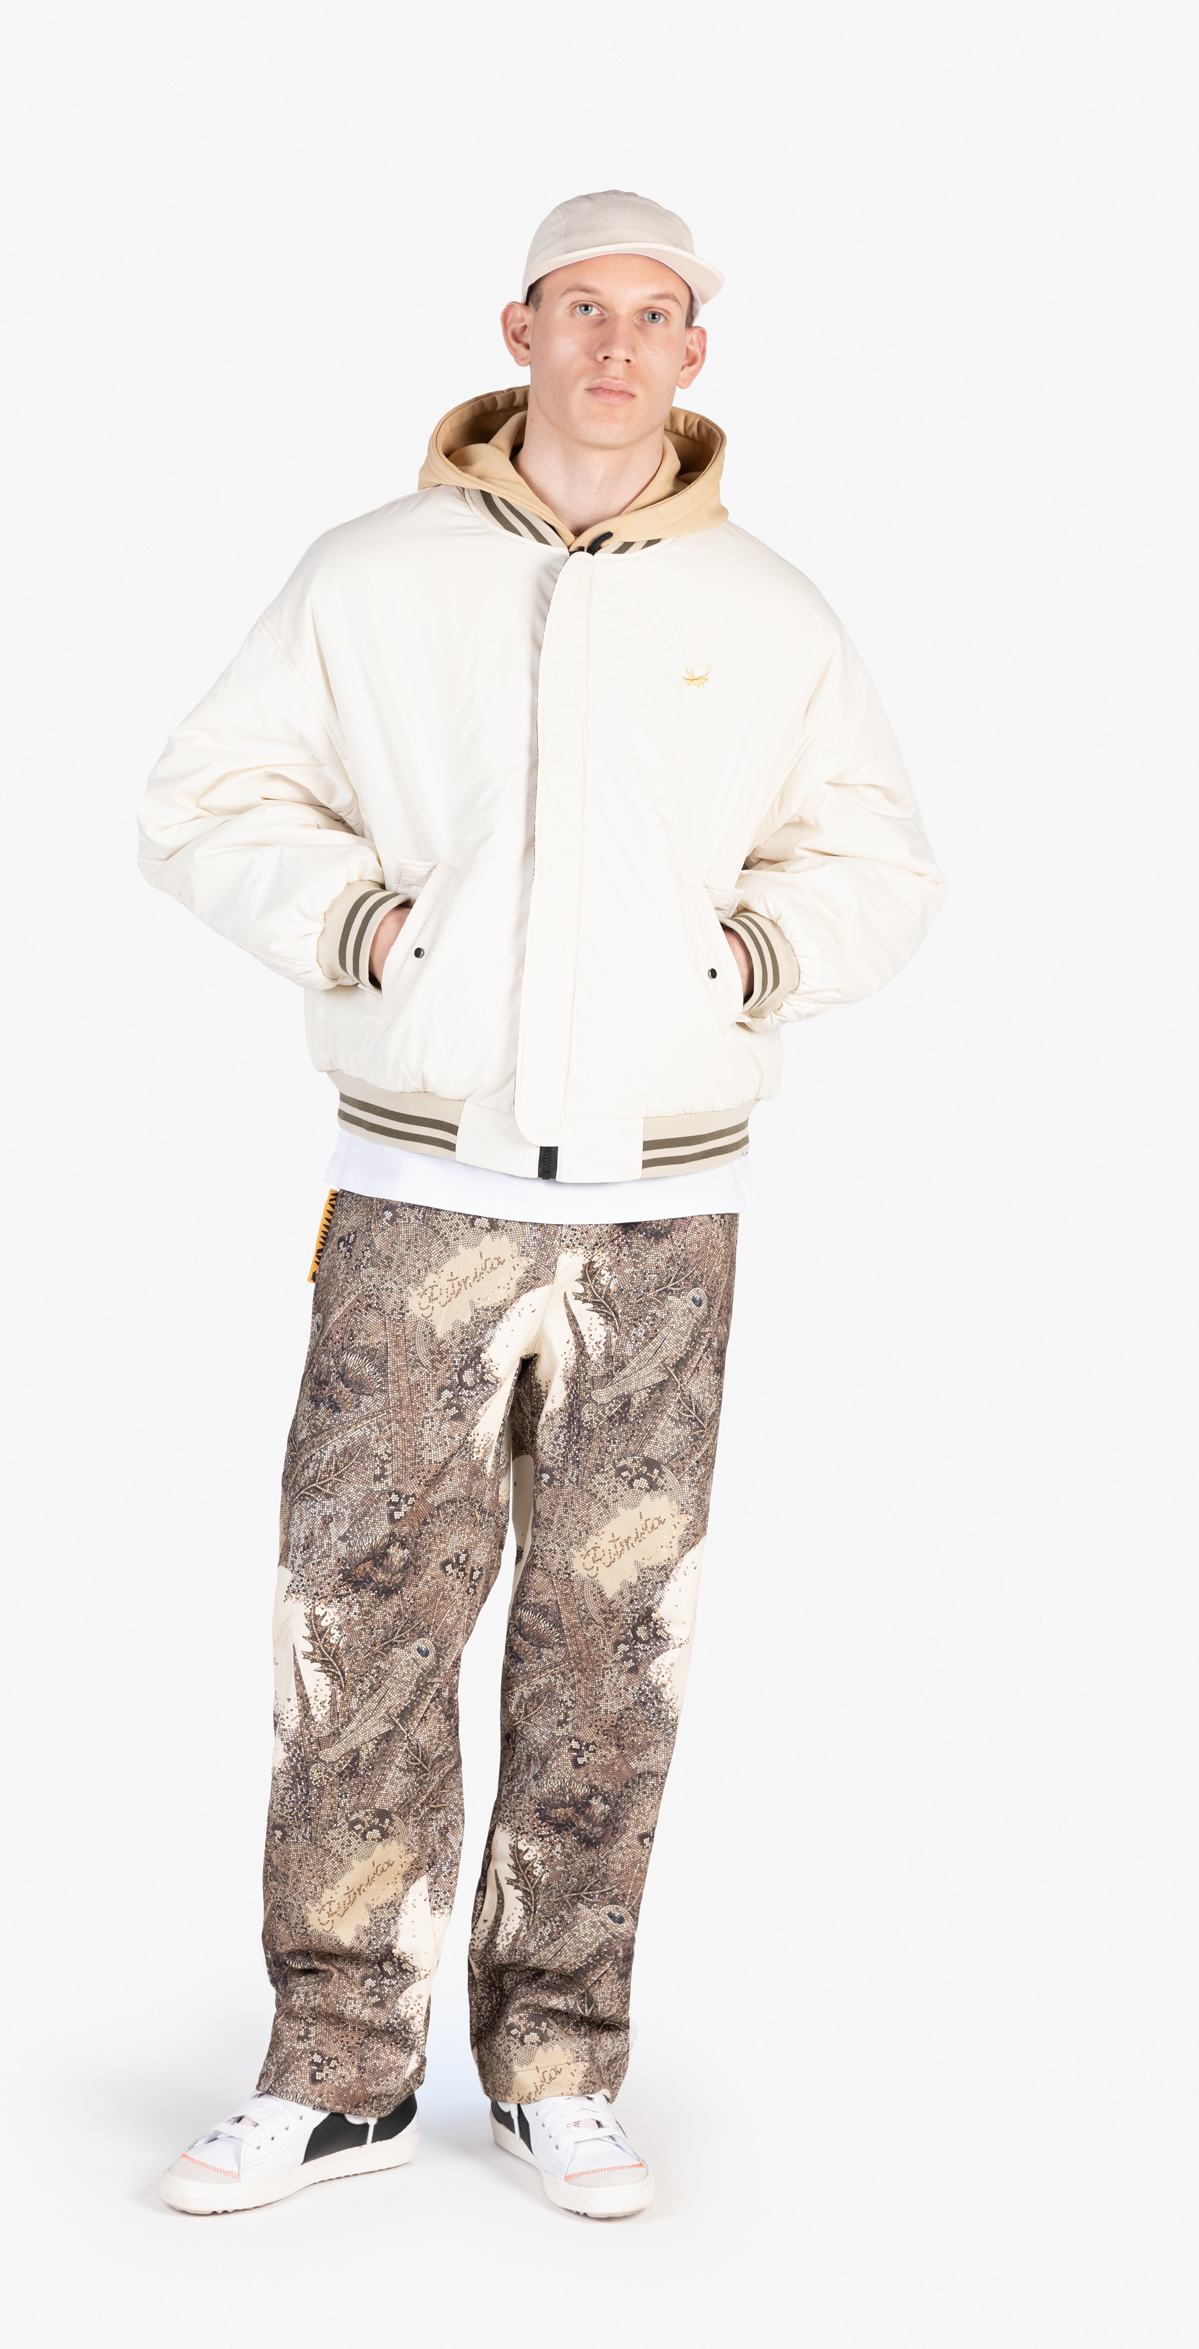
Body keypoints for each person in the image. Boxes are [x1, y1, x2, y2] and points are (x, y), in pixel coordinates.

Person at [137, 191, 945, 2218]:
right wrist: (362, 923)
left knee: (612, 1647)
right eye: (583, 307)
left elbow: (873, 862)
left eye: (654, 314)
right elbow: (209, 796)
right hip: (420, 1187)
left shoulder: (770, 611)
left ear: (696, 352)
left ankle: (560, 2065)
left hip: (664, 1221)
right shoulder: (373, 574)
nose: (615, 345)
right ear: (518, 330)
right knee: (361, 1625)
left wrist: (747, 959)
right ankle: (335, 2069)